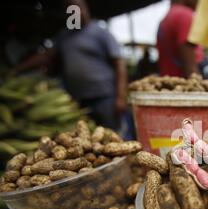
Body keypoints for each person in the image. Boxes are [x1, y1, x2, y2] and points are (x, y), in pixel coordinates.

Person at [14, 0, 127, 131]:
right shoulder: (64, 36)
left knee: (115, 137)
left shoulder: (100, 32)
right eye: (71, 11)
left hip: (105, 98)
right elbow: (45, 56)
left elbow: (119, 65)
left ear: (86, 9)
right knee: (90, 139)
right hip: (79, 101)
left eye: (78, 9)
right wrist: (17, 69)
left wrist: (120, 97)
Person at [156, 0, 203, 77]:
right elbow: (191, 69)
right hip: (183, 84)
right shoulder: (184, 15)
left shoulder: (165, 19)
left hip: (168, 81)